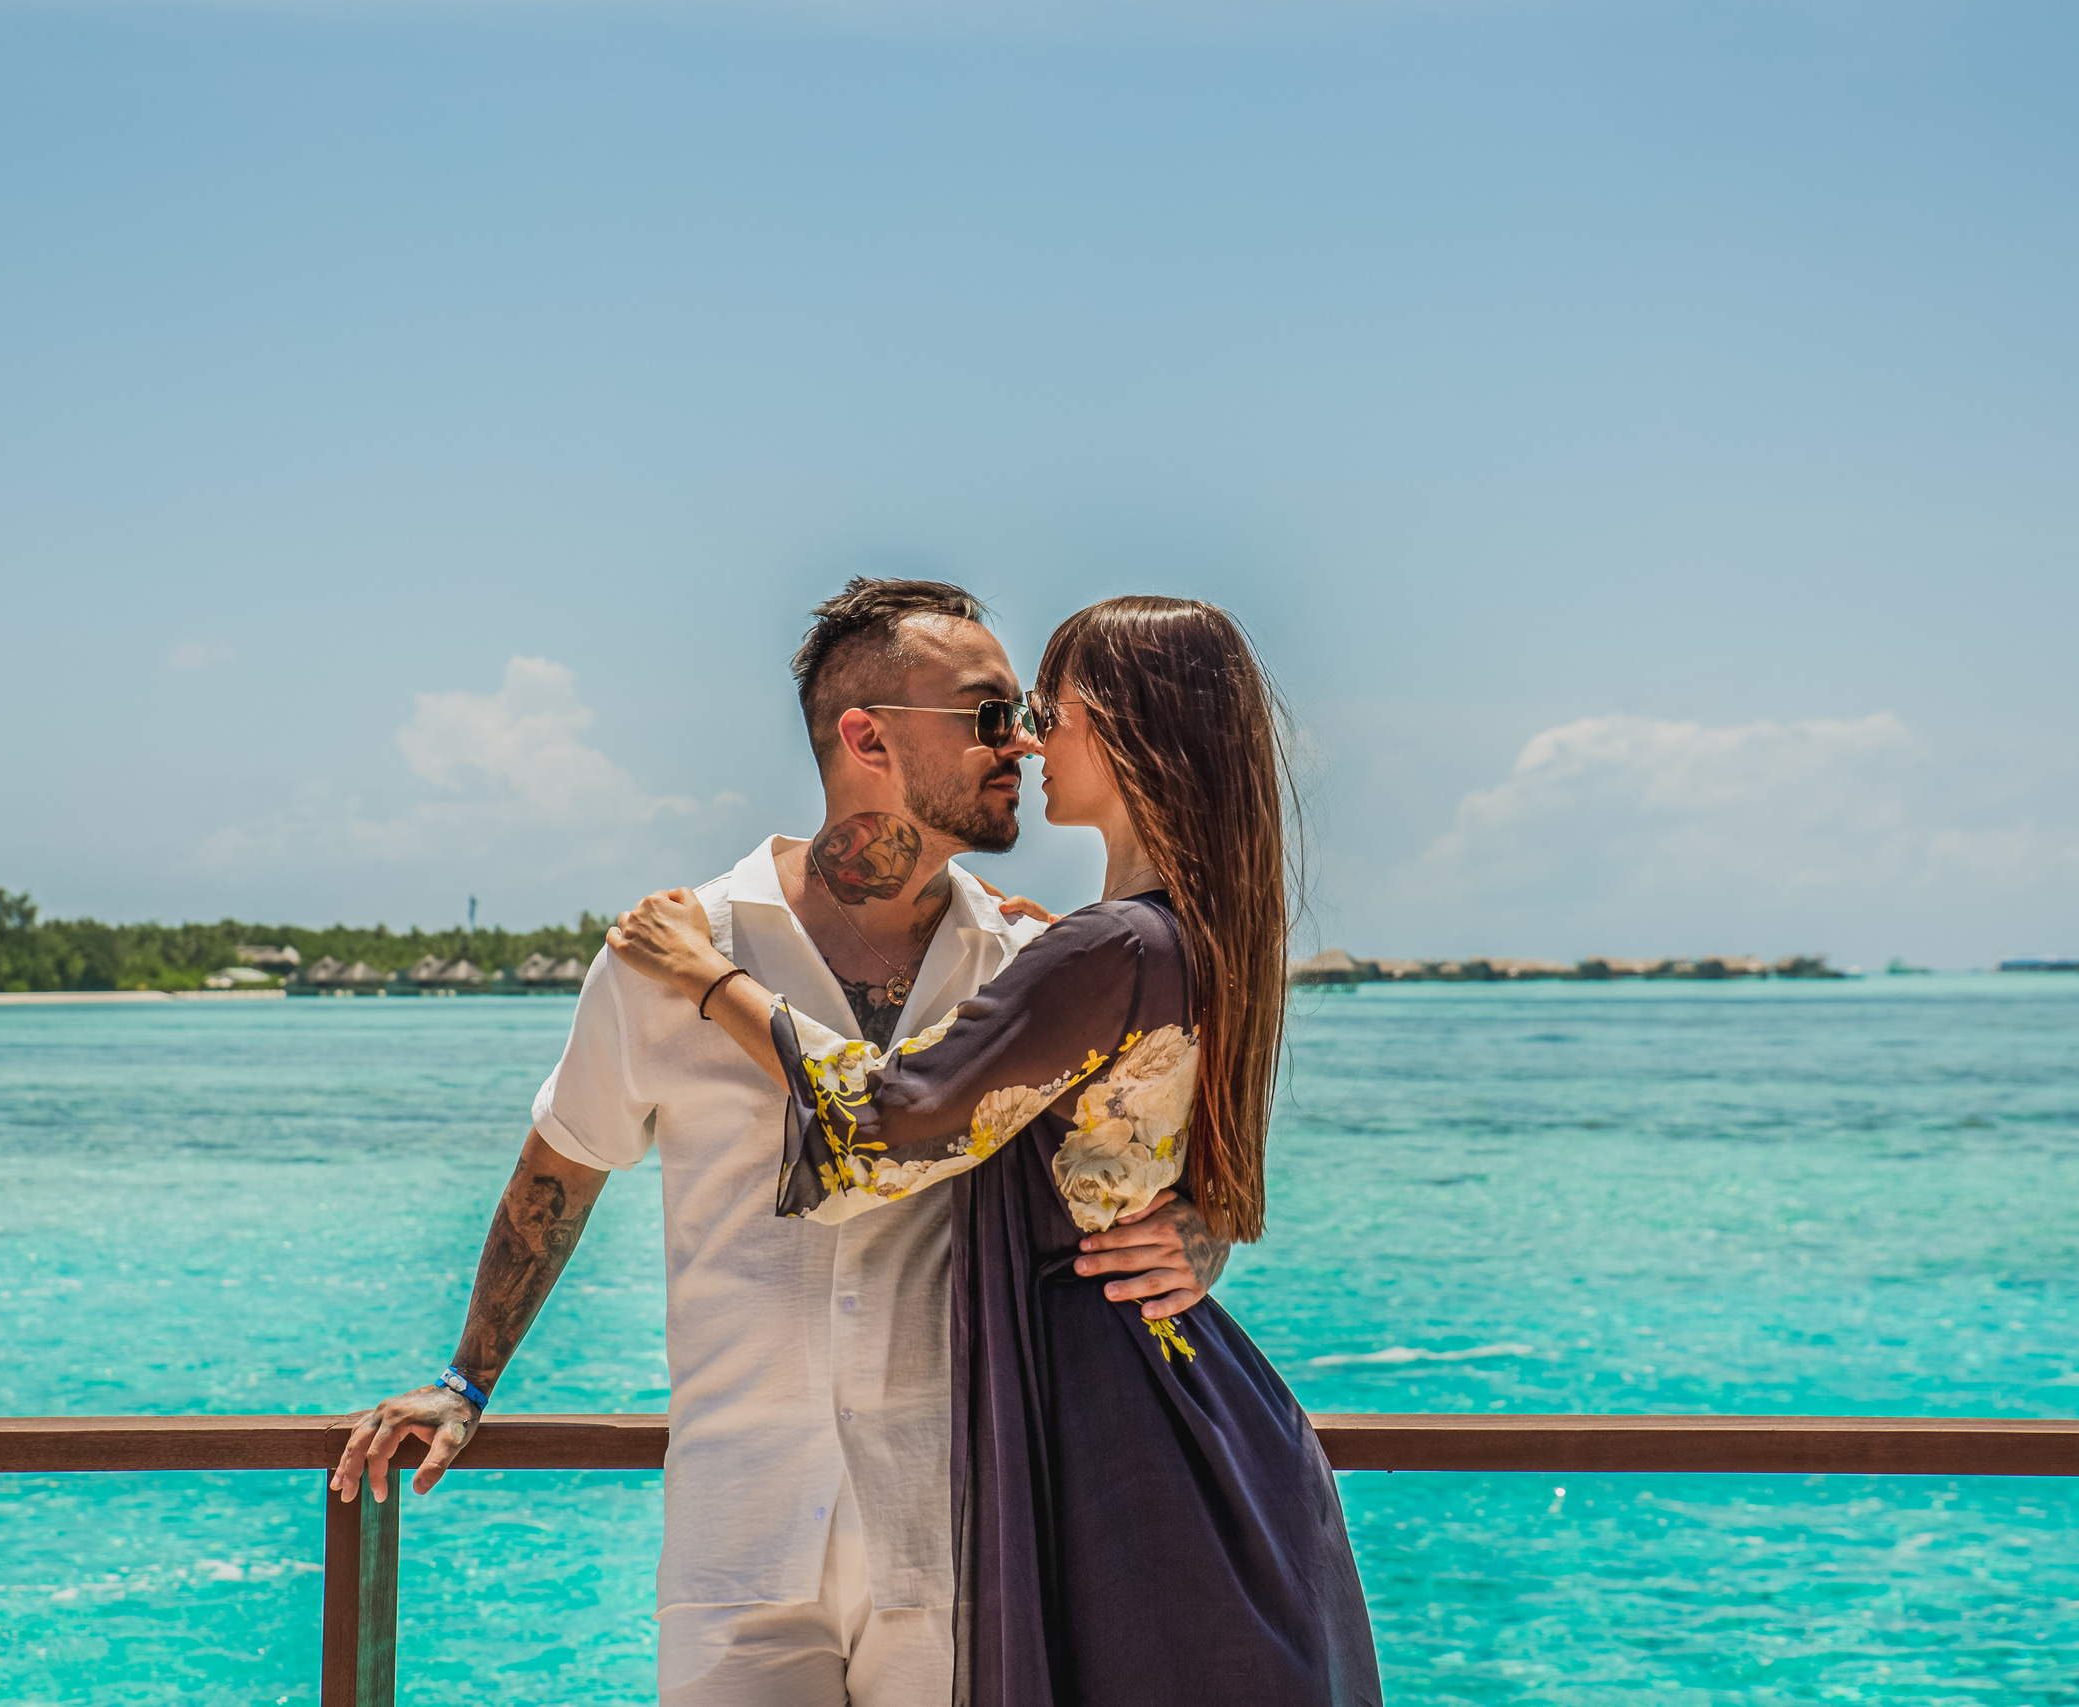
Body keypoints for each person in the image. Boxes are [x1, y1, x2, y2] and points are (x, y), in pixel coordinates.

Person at [331, 579, 1230, 1707]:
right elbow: (562, 1164)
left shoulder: (1024, 962)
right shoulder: (674, 949)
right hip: (737, 1543)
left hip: (958, 1540)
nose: (1025, 742)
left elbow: (1130, 1164)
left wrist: (1202, 1234)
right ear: (868, 736)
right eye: (991, 714)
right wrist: (465, 1380)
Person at [612, 595, 1383, 1706]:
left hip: (1110, 1418)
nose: (1025, 740)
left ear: (1123, 730)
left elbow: (882, 1134)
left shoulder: (1111, 944)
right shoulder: (1188, 932)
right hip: (1179, 1395)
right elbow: (1165, 1166)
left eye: (1044, 712)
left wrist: (709, 980)